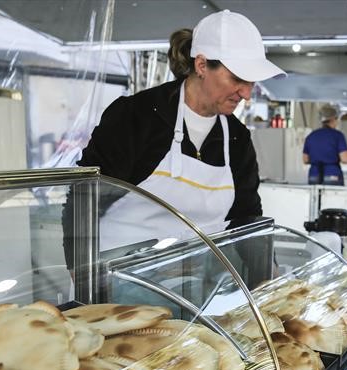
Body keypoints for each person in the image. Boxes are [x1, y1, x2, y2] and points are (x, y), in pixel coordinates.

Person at [64, 9, 285, 264]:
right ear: (201, 65)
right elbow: (85, 197)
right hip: (120, 278)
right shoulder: (137, 115)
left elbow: (247, 216)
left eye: (252, 82)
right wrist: (80, 269)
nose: (246, 93)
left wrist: (268, 280)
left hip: (196, 284)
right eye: (238, 78)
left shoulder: (236, 138)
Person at [302, 104, 347, 185]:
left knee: (314, 197)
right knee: (332, 197)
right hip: (332, 175)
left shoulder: (311, 136)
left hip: (314, 175)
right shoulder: (338, 136)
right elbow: (345, 159)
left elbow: (305, 160)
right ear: (333, 119)